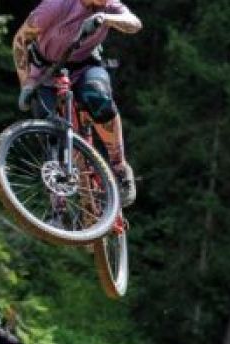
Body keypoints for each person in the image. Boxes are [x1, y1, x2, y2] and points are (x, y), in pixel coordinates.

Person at [13, 0, 142, 207]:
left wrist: (105, 18)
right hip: (46, 73)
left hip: (85, 67)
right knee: (49, 131)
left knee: (98, 98)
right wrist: (26, 83)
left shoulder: (109, 5)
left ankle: (119, 167)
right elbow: (21, 39)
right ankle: (58, 205)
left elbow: (134, 24)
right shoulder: (55, 5)